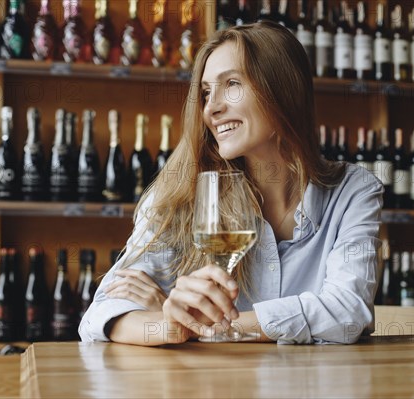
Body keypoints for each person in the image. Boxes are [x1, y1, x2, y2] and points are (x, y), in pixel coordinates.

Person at [79, 21, 383, 346]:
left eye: (232, 85)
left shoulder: (353, 189)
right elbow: (100, 315)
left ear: (283, 91)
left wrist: (210, 329)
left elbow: (347, 312)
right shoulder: (181, 192)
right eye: (207, 92)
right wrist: (170, 324)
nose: (211, 108)